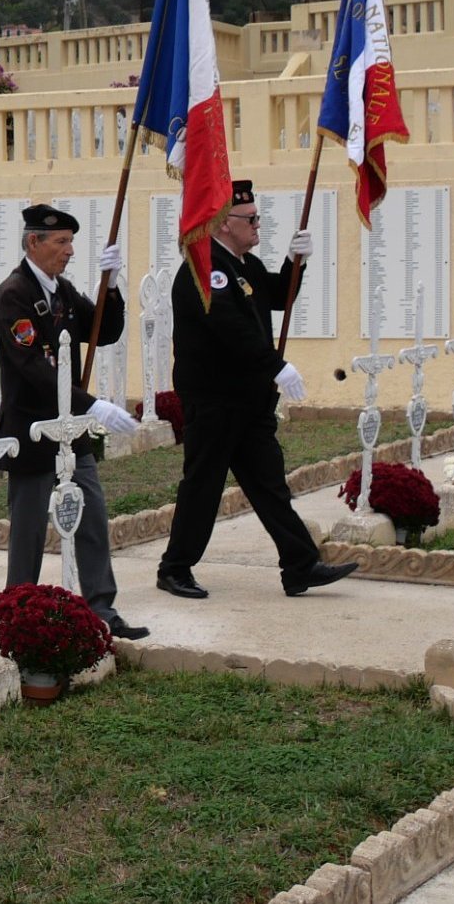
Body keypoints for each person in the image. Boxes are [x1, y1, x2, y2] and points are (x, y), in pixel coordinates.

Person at [153, 180, 356, 600]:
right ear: (225, 223)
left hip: (247, 401)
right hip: (214, 399)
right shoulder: (204, 269)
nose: (257, 225)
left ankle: (300, 565)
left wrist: (294, 259)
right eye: (251, 219)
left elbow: (278, 296)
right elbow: (229, 327)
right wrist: (275, 366)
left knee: (268, 484)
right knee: (204, 485)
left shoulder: (243, 264)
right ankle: (174, 568)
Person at [0, 204, 148, 640]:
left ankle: (101, 609)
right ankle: (16, 616)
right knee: (28, 533)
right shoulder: (15, 294)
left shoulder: (61, 291)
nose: (69, 251)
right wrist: (92, 406)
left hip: (71, 433)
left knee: (92, 516)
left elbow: (104, 330)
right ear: (33, 243)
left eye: (71, 242)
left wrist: (111, 287)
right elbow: (32, 368)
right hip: (33, 432)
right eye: (60, 242)